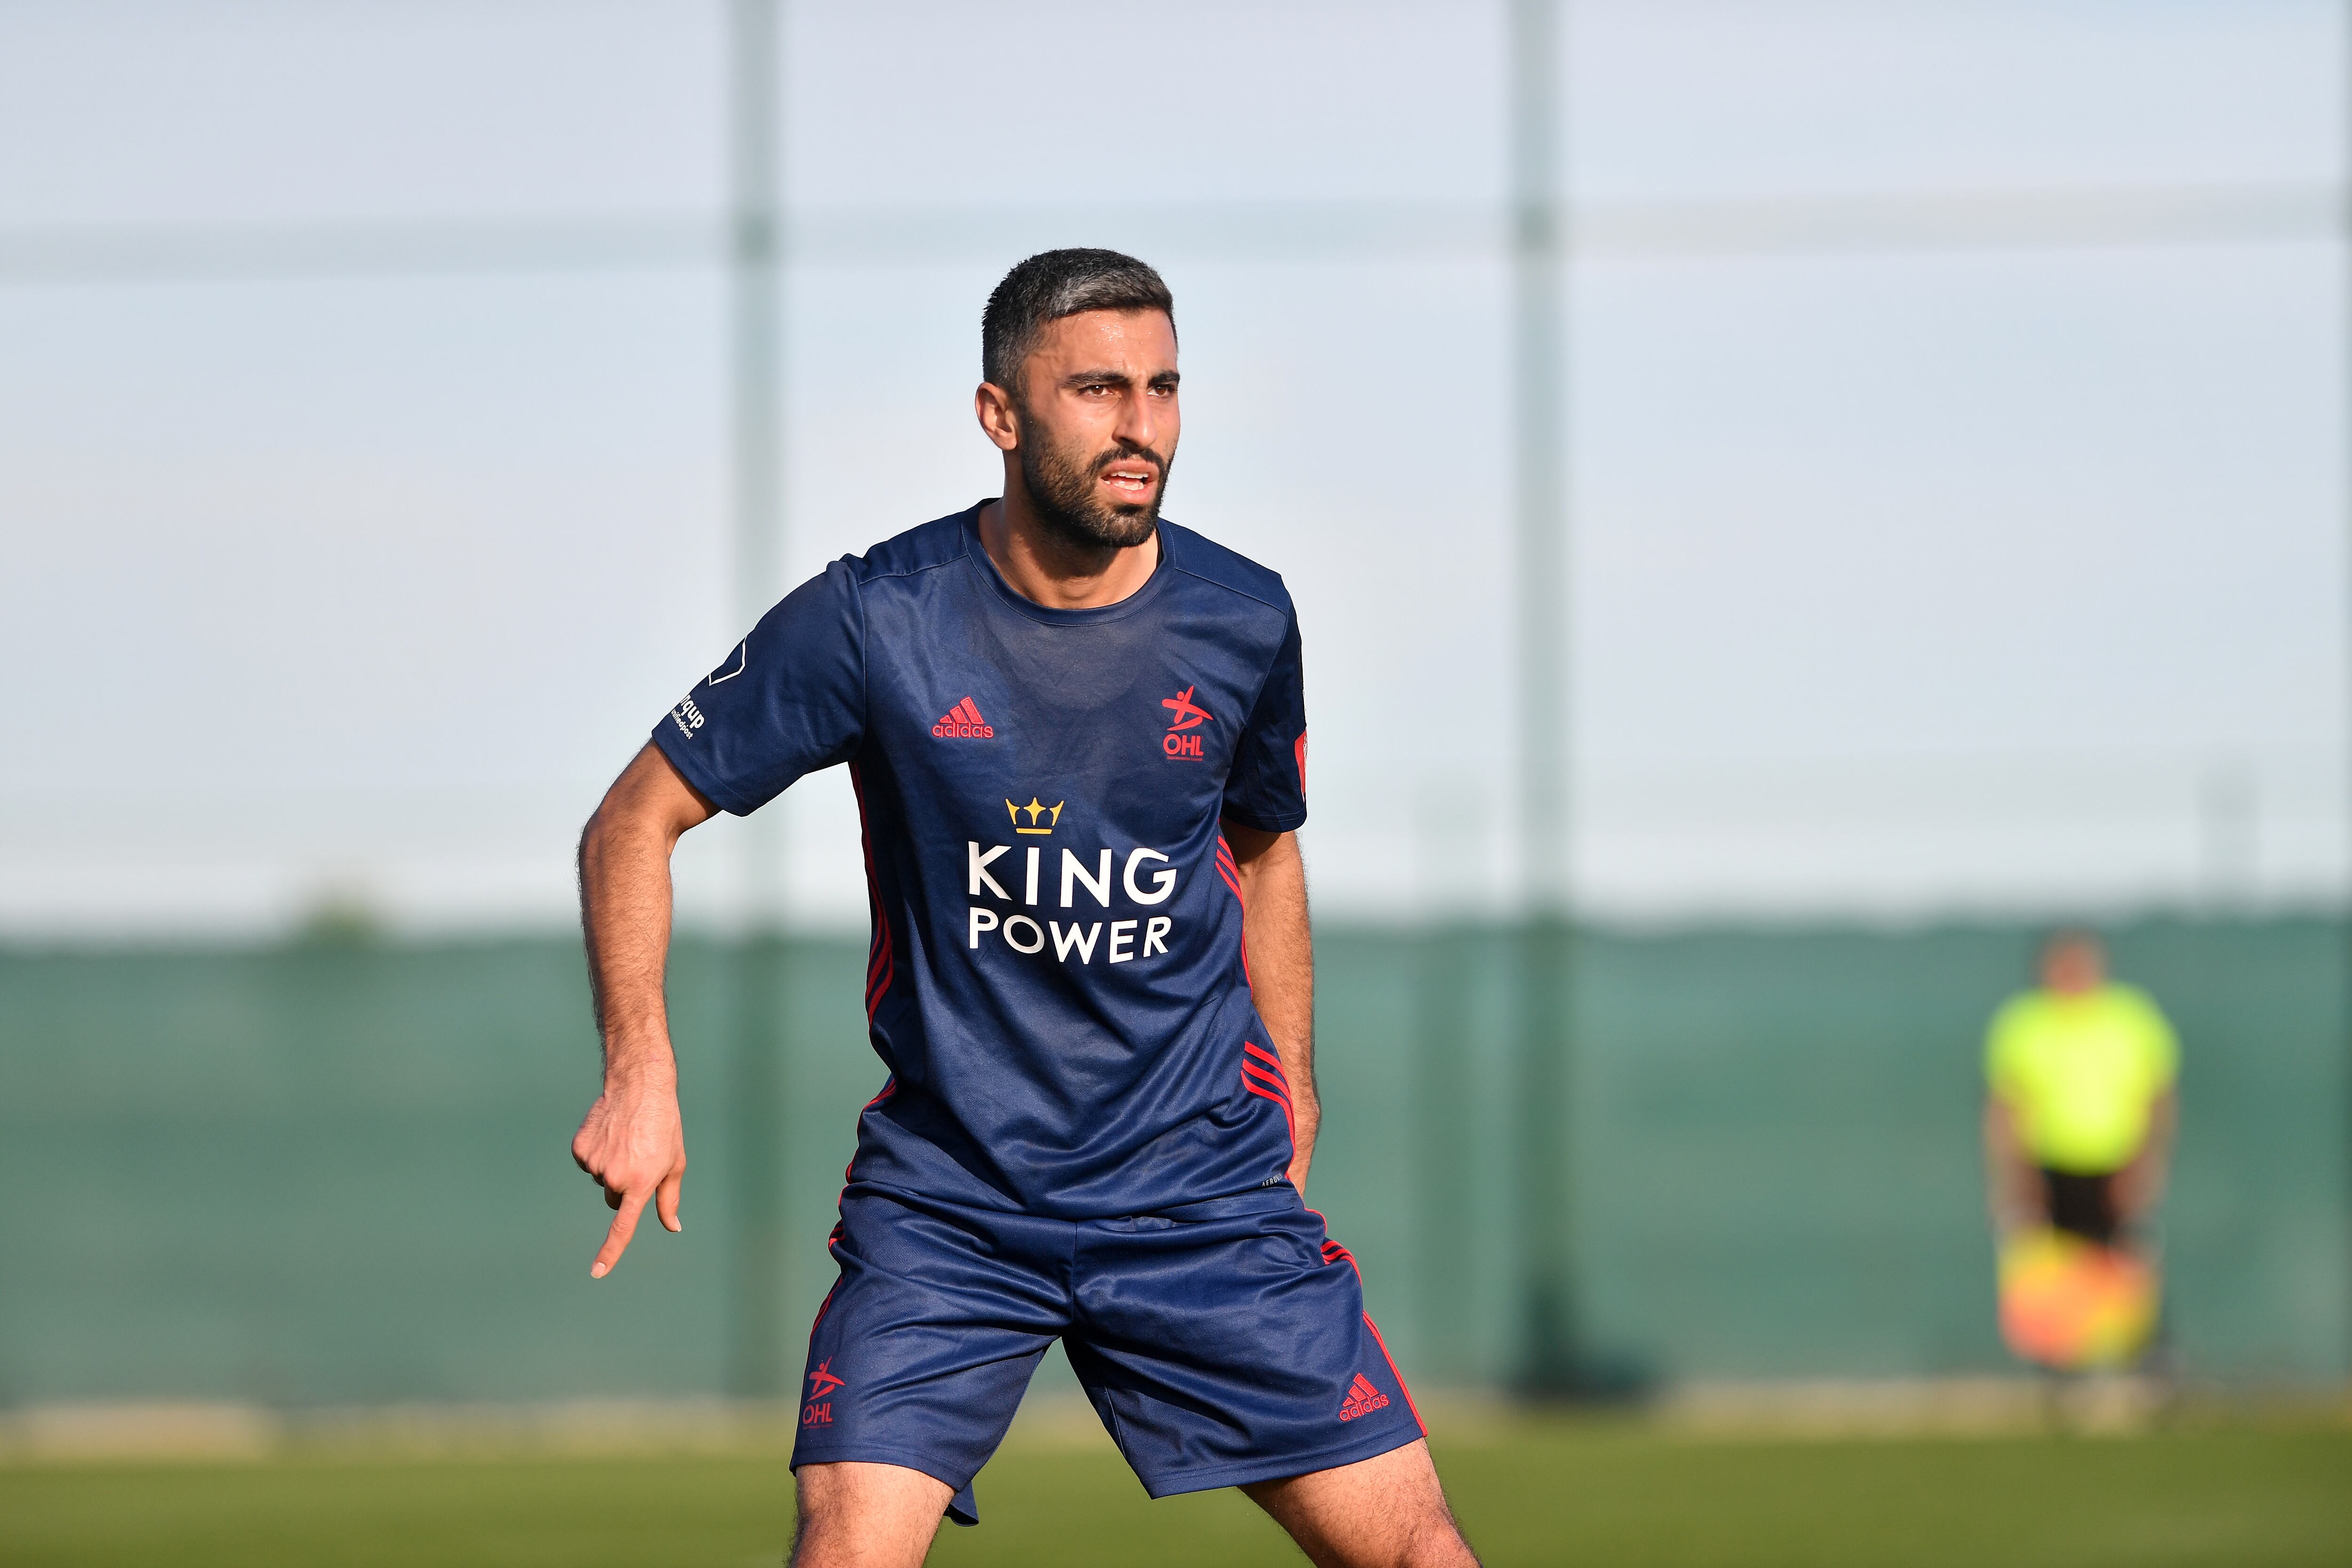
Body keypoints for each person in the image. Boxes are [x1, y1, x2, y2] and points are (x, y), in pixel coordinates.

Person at [569, 249, 1478, 1567]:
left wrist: (1298, 1077)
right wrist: (639, 1065)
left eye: (1163, 388)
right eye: (1099, 389)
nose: (1141, 426)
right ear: (1001, 414)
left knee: (1419, 1551)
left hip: (1197, 1194)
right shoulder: (876, 617)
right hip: (956, 1205)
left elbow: (1264, 850)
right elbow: (631, 820)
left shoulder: (1244, 618)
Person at [1983, 930, 2179, 1251]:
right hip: (2045, 1175)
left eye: (2080, 963)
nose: (2071, 973)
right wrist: (2014, 1180)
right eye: (2062, 964)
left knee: (2120, 1284)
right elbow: (2004, 1108)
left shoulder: (2131, 1018)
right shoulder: (2022, 1023)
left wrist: (2145, 1167)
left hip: (2117, 1172)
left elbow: (2158, 1098)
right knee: (2046, 1283)